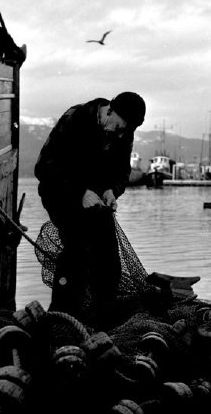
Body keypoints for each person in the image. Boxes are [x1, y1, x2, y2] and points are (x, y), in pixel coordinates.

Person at [34, 92, 146, 323]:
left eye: (127, 130)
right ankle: (62, 318)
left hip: (96, 198)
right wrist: (79, 193)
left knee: (109, 259)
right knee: (77, 249)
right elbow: (43, 168)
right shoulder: (76, 118)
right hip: (60, 193)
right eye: (120, 126)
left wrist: (112, 191)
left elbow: (122, 173)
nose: (121, 133)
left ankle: (102, 320)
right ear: (110, 110)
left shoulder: (124, 131)